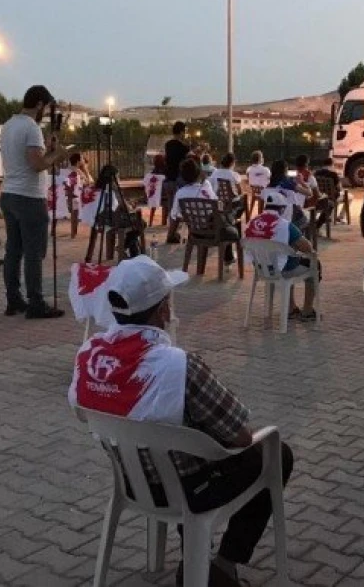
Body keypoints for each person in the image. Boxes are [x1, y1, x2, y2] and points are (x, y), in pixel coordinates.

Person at [68, 256, 293, 587]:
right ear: (162, 310)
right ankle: (222, 565)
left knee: (181, 446)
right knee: (277, 453)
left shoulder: (88, 355)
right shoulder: (179, 366)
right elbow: (240, 438)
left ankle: (196, 556)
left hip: (132, 481)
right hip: (186, 491)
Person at [0, 84, 71, 319]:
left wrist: (47, 152)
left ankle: (13, 299)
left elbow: (28, 158)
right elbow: (36, 164)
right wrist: (57, 155)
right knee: (33, 252)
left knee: (13, 250)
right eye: (46, 107)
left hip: (9, 193)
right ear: (39, 104)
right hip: (28, 196)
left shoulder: (9, 125)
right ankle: (36, 301)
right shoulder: (31, 128)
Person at [246, 191, 319, 321]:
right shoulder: (284, 225)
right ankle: (307, 311)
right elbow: (307, 247)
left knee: (289, 258)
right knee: (314, 264)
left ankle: (291, 308)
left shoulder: (251, 222)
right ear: (282, 208)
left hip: (261, 268)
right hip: (281, 270)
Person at [171, 158, 238, 265]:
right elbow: (218, 205)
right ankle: (228, 257)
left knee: (226, 220)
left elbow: (175, 216)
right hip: (215, 232)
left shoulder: (180, 193)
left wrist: (173, 233)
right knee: (230, 220)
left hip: (195, 232)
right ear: (199, 173)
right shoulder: (206, 185)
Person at [268, 159, 312, 229]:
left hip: (275, 217)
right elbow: (309, 193)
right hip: (291, 217)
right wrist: (302, 182)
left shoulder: (269, 185)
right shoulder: (288, 183)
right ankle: (298, 236)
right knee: (306, 218)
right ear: (285, 170)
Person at [294, 155, 331, 229]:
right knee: (330, 204)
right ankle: (316, 227)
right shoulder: (310, 177)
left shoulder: (292, 176)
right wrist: (323, 195)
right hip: (304, 205)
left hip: (294, 206)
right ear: (307, 164)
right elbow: (317, 194)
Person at [208, 153, 247, 218]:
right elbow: (240, 191)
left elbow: (211, 188)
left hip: (219, 202)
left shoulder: (214, 173)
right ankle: (236, 218)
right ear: (232, 163)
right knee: (244, 198)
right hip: (232, 204)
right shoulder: (234, 175)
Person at [313, 158, 346, 224]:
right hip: (331, 197)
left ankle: (330, 216)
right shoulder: (333, 174)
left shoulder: (316, 173)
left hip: (320, 196)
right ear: (331, 164)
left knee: (336, 197)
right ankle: (340, 217)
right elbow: (339, 188)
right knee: (349, 197)